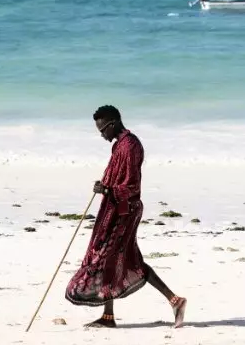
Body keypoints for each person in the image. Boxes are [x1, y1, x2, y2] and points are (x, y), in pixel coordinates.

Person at [64, 105, 187, 328]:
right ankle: (114, 315)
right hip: (115, 209)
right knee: (123, 260)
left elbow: (132, 185)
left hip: (125, 211)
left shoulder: (130, 146)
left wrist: (108, 190)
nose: (102, 135)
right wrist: (105, 185)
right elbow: (116, 177)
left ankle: (171, 301)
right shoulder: (119, 145)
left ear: (113, 124)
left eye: (103, 130)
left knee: (107, 258)